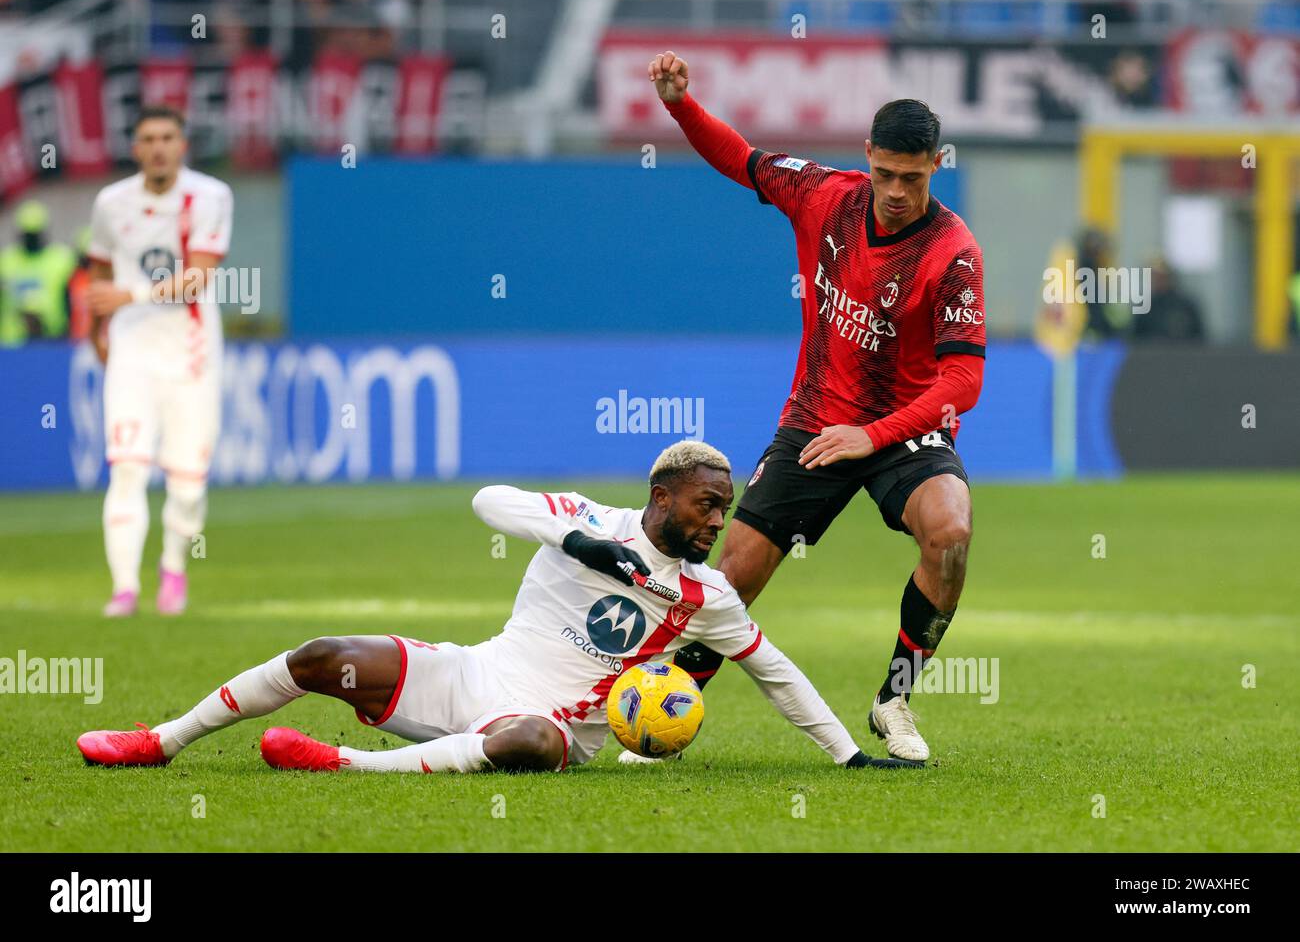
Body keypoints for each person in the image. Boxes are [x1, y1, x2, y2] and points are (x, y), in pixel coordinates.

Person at [77, 442, 912, 773]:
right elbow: (488, 500)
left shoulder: (706, 595)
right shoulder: (588, 520)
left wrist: (846, 758)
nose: (718, 521)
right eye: (705, 506)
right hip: (472, 673)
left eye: (725, 508)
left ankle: (342, 766)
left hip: (551, 730)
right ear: (662, 496)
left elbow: (775, 673)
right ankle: (160, 741)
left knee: (524, 741)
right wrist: (581, 546)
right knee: (319, 654)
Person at [650, 50, 986, 763]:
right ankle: (673, 706)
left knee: (950, 532)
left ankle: (895, 698)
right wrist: (681, 104)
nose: (897, 191)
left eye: (914, 177)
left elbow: (963, 383)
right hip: (814, 417)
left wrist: (875, 435)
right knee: (732, 578)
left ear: (938, 164)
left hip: (905, 427)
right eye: (886, 173)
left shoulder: (953, 252)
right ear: (868, 156)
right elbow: (739, 158)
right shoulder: (824, 193)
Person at [86, 104, 234, 618]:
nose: (158, 147)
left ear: (182, 145)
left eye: (168, 137)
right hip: (132, 353)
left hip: (191, 354)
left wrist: (127, 297)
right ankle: (123, 588)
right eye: (148, 138)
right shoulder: (111, 202)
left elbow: (199, 277)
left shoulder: (211, 196)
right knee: (126, 469)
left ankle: (173, 565)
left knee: (187, 484)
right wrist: (94, 334)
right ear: (135, 148)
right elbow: (98, 272)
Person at [0, 200, 76, 345]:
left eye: (35, 235)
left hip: (52, 338)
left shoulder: (61, 258)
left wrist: (66, 333)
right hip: (10, 343)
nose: (32, 240)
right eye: (28, 235)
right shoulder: (6, 260)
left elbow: (71, 301)